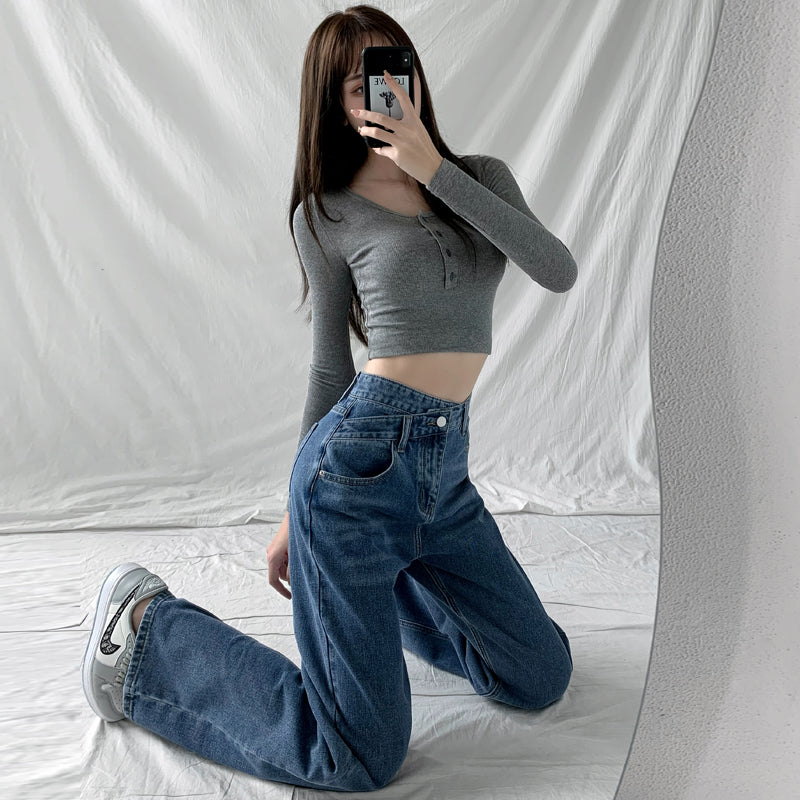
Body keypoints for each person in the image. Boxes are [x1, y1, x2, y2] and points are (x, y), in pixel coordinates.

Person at [81, 4, 577, 793]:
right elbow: (328, 370)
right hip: (353, 474)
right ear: (335, 102)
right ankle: (148, 633)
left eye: (396, 67)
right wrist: (292, 511)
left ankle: (379, 599)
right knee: (359, 756)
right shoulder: (326, 212)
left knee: (537, 676)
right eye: (361, 82)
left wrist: (431, 169)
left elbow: (556, 269)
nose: (389, 89)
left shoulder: (480, 178)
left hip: (444, 473)